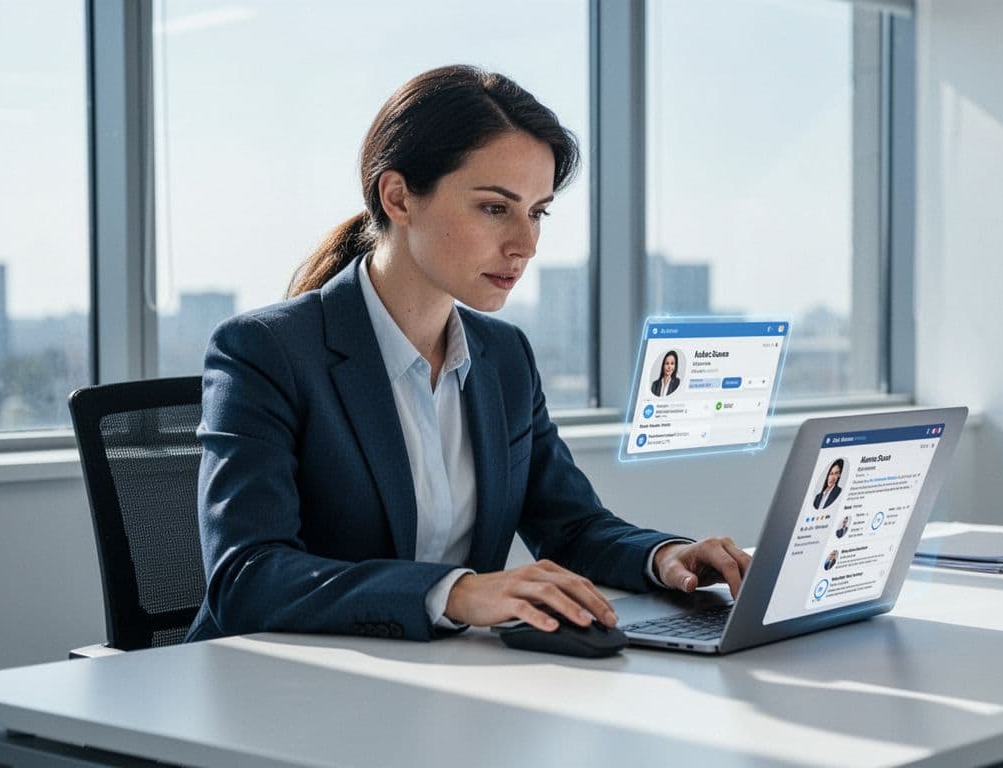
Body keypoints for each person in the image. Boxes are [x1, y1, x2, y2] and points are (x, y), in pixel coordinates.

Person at [185, 66, 750, 643]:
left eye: (537, 212)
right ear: (399, 197)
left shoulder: (503, 357)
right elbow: (247, 578)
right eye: (494, 208)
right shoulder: (265, 351)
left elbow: (572, 527)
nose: (525, 245)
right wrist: (453, 592)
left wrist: (667, 556)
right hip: (280, 690)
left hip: (441, 689)